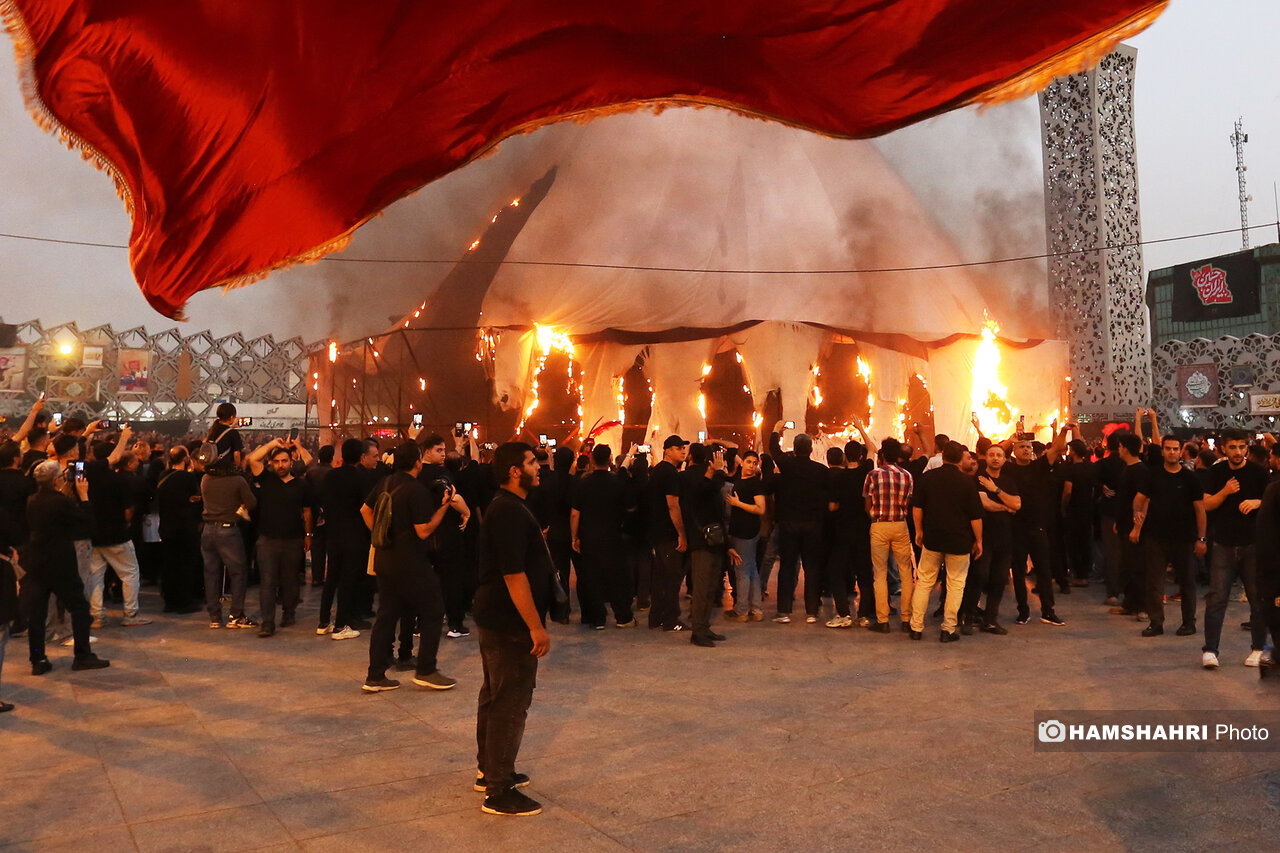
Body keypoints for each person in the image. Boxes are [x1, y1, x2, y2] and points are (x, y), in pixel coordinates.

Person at [474, 442, 553, 817]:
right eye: (533, 462)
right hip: (509, 622)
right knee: (510, 701)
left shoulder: (509, 506)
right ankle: (499, 789)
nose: (539, 467)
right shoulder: (507, 510)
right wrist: (536, 626)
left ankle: (489, 770)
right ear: (514, 471)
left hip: (498, 617)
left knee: (495, 695)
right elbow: (513, 574)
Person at [360, 442, 456, 693]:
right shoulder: (416, 490)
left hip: (384, 559)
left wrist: (381, 534)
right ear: (417, 462)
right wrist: (444, 507)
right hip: (410, 562)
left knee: (386, 616)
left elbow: (365, 510)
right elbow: (423, 530)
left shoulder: (385, 482)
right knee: (434, 609)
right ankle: (426, 669)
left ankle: (375, 675)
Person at [24, 460, 110, 674]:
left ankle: (38, 658)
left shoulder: (32, 500)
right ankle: (83, 655)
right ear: (56, 480)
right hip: (60, 561)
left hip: (36, 561)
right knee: (79, 607)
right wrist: (84, 496)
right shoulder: (61, 502)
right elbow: (89, 524)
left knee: (37, 614)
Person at [1197, 429, 1267, 666]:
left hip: (1252, 544)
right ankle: (1210, 650)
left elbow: (1272, 501)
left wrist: (1257, 502)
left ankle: (1258, 648)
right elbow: (1207, 504)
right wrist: (1225, 491)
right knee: (1216, 598)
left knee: (1257, 599)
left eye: (1242, 447)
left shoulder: (1258, 472)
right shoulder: (1216, 472)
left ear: (1247, 447)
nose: (1238, 452)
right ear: (1223, 448)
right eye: (1233, 447)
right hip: (1223, 544)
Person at [1131, 435, 1205, 638]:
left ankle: (1189, 622)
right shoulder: (1152, 475)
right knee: (1154, 582)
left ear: (1181, 451)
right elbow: (1139, 499)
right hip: (1156, 537)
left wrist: (1202, 538)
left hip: (1184, 538)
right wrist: (1137, 516)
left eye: (1175, 449)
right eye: (1168, 448)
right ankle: (1156, 622)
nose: (1172, 452)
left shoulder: (1190, 478)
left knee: (1187, 582)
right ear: (1162, 451)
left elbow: (1200, 510)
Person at [910, 442, 983, 642]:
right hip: (959, 540)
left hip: (932, 538)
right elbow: (975, 517)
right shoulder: (967, 482)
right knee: (955, 584)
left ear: (942, 456)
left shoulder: (927, 478)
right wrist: (979, 540)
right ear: (960, 459)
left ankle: (916, 627)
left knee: (924, 582)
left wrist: (919, 530)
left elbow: (917, 508)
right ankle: (948, 629)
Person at [247, 438, 314, 637]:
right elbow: (253, 460)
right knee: (267, 582)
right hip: (268, 539)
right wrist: (271, 445)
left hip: (293, 540)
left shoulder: (301, 485)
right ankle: (268, 622)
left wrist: (308, 535)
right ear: (271, 463)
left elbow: (307, 511)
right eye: (276, 462)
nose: (280, 465)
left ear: (291, 463)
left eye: (284, 461)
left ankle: (289, 612)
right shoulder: (267, 479)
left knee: (290, 580)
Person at [83, 436, 152, 628]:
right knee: (130, 573)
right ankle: (131, 614)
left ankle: (97, 616)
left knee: (95, 576)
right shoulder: (119, 480)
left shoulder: (86, 478)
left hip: (94, 534)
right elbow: (128, 509)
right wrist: (126, 523)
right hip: (117, 533)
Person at [1006, 425, 1070, 627]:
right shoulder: (1008, 469)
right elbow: (996, 453)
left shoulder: (1039, 466)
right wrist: (1010, 440)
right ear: (1014, 451)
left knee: (1044, 570)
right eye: (1021, 446)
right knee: (1018, 572)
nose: (1025, 449)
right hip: (1016, 528)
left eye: (1028, 447)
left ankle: (1048, 611)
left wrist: (1062, 431)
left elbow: (1056, 449)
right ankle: (1023, 611)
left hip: (1037, 526)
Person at [570, 444, 636, 629]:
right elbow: (630, 508)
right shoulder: (617, 482)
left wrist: (574, 537)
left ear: (592, 459)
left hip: (589, 536)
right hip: (612, 536)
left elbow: (575, 514)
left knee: (593, 577)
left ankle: (598, 619)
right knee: (616, 576)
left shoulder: (583, 483)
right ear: (609, 460)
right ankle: (623, 617)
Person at [768, 426, 829, 624]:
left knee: (787, 566)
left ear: (794, 449)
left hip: (789, 524)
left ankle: (784, 611)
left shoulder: (787, 465)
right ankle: (812, 611)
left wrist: (776, 430)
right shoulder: (821, 471)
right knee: (812, 568)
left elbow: (773, 449)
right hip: (814, 525)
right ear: (811, 450)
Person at [318, 438, 376, 639]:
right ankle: (341, 625)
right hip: (354, 534)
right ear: (361, 456)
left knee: (331, 577)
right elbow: (366, 506)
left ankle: (323, 621)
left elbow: (324, 501)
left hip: (333, 533)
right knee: (348, 579)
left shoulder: (330, 476)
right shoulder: (362, 478)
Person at [198, 441, 257, 629]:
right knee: (238, 572)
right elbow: (251, 502)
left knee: (211, 574)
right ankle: (236, 615)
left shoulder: (205, 479)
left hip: (208, 530)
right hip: (228, 530)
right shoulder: (237, 480)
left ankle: (215, 617)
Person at [863, 437, 916, 633]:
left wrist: (874, 515)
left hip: (879, 525)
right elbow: (908, 501)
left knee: (880, 574)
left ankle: (883, 620)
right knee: (906, 573)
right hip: (900, 525)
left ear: (882, 455)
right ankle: (906, 618)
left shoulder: (872, 475)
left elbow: (867, 503)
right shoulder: (907, 476)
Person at [682, 443, 730, 647]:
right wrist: (714, 473)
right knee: (702, 588)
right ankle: (698, 631)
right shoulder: (691, 478)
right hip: (701, 541)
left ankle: (704, 626)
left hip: (715, 539)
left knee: (711, 586)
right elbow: (701, 492)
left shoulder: (710, 480)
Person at [973, 443, 1021, 635]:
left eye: (999, 455)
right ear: (985, 457)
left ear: (1004, 459)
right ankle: (969, 614)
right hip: (983, 537)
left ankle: (990, 619)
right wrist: (1005, 507)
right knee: (980, 576)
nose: (995, 458)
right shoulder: (979, 479)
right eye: (991, 454)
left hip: (1005, 538)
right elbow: (985, 504)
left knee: (999, 579)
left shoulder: (1008, 481)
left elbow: (1017, 504)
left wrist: (996, 490)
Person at [646, 435, 689, 632]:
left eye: (684, 448)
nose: (683, 451)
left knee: (660, 577)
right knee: (672, 578)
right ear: (667, 451)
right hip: (668, 533)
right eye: (678, 448)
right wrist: (681, 533)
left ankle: (655, 617)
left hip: (656, 531)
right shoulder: (670, 473)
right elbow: (673, 505)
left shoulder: (657, 471)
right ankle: (671, 619)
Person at [155, 446, 203, 613]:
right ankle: (184, 602)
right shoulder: (187, 477)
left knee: (169, 565)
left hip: (166, 526)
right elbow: (195, 499)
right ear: (185, 459)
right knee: (185, 565)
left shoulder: (163, 475)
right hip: (185, 527)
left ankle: (170, 601)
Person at [725, 450, 767, 623]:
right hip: (741, 530)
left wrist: (738, 503)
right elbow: (733, 450)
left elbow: (761, 508)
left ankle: (742, 610)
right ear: (742, 462)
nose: (751, 466)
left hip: (746, 532)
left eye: (755, 463)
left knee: (742, 570)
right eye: (749, 462)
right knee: (751, 569)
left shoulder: (755, 483)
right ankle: (756, 609)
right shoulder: (740, 480)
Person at [1060, 439, 1097, 587]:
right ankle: (1085, 574)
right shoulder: (1090, 467)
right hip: (1087, 508)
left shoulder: (1071, 469)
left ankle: (1078, 575)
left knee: (1073, 543)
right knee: (1085, 542)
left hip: (1074, 509)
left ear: (1073, 452)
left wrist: (1063, 506)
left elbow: (1067, 491)